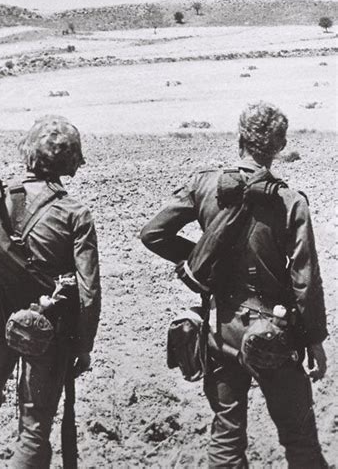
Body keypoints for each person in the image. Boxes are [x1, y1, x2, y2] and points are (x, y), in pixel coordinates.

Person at [140, 102, 328, 468]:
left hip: (218, 327)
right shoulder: (289, 201)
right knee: (300, 440)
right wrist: (315, 340)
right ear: (280, 145)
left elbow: (153, 234)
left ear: (239, 137)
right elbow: (304, 279)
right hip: (273, 330)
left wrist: (201, 257)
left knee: (226, 436)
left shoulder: (204, 183)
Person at [0, 116, 101, 468]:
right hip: (48, 327)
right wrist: (83, 345)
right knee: (34, 426)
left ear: (29, 154)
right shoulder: (75, 213)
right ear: (71, 162)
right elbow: (89, 291)